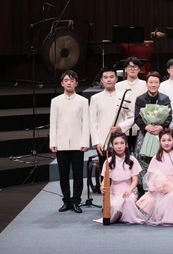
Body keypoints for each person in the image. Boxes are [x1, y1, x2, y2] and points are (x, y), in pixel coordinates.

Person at [49, 70, 90, 214]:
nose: (69, 83)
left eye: (72, 81)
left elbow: (85, 123)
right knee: (63, 174)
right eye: (66, 80)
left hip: (78, 144)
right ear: (62, 83)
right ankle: (66, 200)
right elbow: (53, 123)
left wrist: (85, 142)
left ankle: (76, 201)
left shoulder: (83, 101)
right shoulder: (55, 101)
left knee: (78, 174)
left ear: (76, 83)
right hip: (61, 143)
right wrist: (53, 142)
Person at [136, 128, 173, 225]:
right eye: (163, 140)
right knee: (158, 197)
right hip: (159, 190)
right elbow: (151, 176)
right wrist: (156, 187)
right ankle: (162, 217)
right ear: (160, 141)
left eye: (169, 140)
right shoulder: (156, 158)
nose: (166, 143)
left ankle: (171, 219)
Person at [133, 71, 172, 196]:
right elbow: (137, 117)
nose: (153, 85)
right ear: (146, 83)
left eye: (156, 82)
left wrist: (161, 127)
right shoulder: (140, 99)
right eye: (151, 82)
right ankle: (143, 192)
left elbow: (169, 117)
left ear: (159, 84)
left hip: (160, 134)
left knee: (161, 160)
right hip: (145, 133)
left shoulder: (165, 99)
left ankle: (162, 191)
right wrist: (146, 127)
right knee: (142, 160)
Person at [95, 132, 145, 224]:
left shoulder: (132, 160)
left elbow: (135, 180)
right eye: (116, 144)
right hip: (114, 193)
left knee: (128, 201)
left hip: (128, 191)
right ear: (112, 146)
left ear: (126, 145)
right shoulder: (108, 161)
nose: (119, 146)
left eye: (122, 143)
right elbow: (105, 180)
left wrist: (129, 190)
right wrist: (102, 186)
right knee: (115, 207)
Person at [90, 67, 134, 170]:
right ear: (102, 80)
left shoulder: (125, 96)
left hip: (120, 141)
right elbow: (92, 122)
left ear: (116, 79)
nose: (108, 80)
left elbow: (132, 117)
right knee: (105, 172)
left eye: (111, 77)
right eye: (105, 77)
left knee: (122, 170)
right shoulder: (95, 98)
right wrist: (97, 142)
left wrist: (120, 127)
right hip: (102, 142)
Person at [116, 57, 147, 151]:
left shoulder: (145, 85)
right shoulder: (118, 86)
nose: (132, 69)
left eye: (135, 67)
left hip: (141, 125)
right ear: (125, 69)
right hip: (123, 125)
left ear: (139, 69)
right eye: (129, 67)